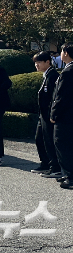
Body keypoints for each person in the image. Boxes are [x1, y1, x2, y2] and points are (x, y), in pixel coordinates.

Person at [32, 52, 61, 179]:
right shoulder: (47, 75)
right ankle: (45, 164)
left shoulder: (53, 76)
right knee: (40, 139)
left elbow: (53, 98)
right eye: (35, 62)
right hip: (42, 115)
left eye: (39, 62)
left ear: (47, 62)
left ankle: (55, 167)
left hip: (48, 115)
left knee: (49, 141)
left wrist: (51, 114)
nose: (36, 65)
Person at [51, 43, 73, 189]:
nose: (60, 54)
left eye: (62, 51)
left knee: (62, 144)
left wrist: (54, 113)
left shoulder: (68, 71)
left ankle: (69, 176)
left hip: (65, 116)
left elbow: (61, 97)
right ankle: (66, 174)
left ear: (66, 53)